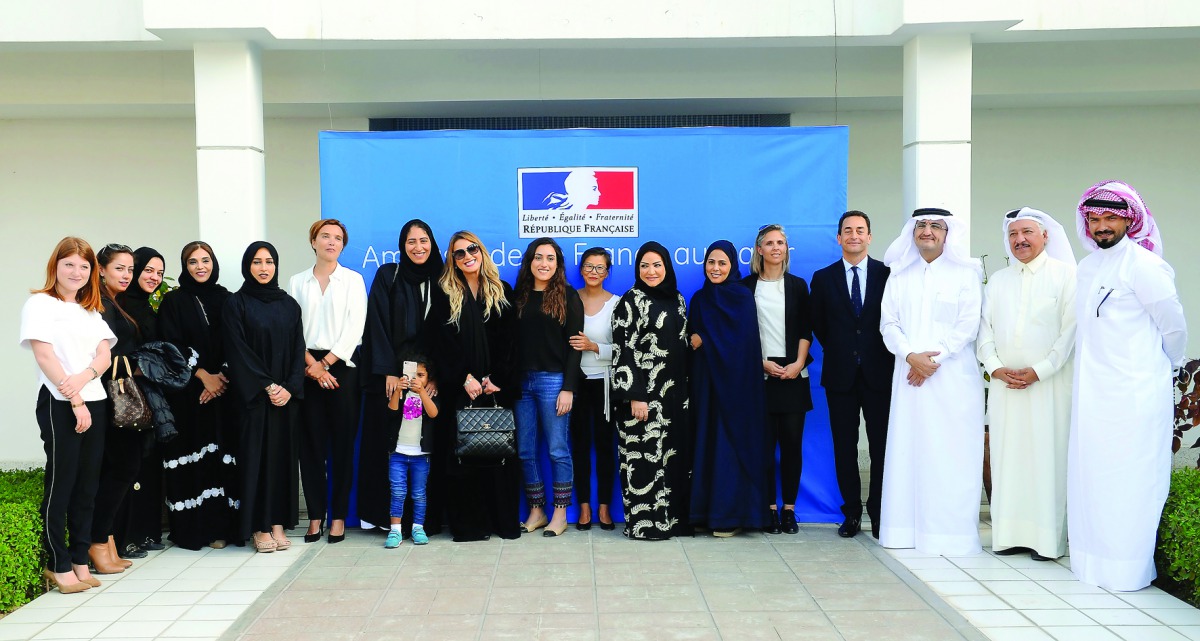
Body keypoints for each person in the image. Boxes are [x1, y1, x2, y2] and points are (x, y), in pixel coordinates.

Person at [1069, 180, 1187, 591]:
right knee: (1093, 478)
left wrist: (1164, 367)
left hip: (1135, 392)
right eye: (1095, 219)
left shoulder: (1145, 265)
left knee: (1131, 480)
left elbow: (1174, 328)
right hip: (1092, 395)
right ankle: (1092, 564)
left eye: (1110, 219)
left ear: (1129, 220)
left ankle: (1126, 570)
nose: (1102, 227)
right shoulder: (1087, 267)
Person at [878, 208, 985, 556]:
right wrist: (911, 356)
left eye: (935, 226)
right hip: (909, 378)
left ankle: (949, 536)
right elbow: (888, 324)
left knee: (949, 455)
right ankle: (903, 531)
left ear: (947, 233)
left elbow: (968, 325)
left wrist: (932, 360)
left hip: (952, 379)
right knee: (909, 452)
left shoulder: (967, 273)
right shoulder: (899, 275)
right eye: (921, 225)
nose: (927, 231)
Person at [977, 208, 1077, 561]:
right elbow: (983, 330)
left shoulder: (1067, 276)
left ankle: (1047, 541)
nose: (1019, 240)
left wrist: (1041, 370)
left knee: (1046, 457)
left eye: (1027, 232)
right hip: (1006, 387)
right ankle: (1008, 536)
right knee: (1008, 457)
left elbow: (1070, 333)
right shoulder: (1000, 280)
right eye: (1013, 234)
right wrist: (995, 368)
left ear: (1045, 236)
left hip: (1048, 387)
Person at [20, 237, 115, 593]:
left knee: (88, 487)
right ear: (55, 266)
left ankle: (79, 560)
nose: (76, 272)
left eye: (84, 266)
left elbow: (103, 356)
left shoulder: (91, 309)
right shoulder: (40, 304)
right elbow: (45, 356)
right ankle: (57, 565)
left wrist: (86, 379)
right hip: (58, 403)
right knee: (62, 484)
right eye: (69, 264)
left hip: (96, 400)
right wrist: (74, 397)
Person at [426, 231, 522, 542]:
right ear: (451, 260)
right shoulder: (443, 293)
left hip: (494, 389)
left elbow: (511, 343)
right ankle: (470, 527)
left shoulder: (501, 290)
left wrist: (497, 379)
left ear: (481, 251)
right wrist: (461, 377)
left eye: (472, 249)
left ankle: (500, 522)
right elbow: (438, 344)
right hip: (459, 390)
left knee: (497, 453)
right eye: (459, 253)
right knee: (462, 457)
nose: (468, 256)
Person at [809, 211, 894, 539]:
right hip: (840, 375)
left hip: (879, 373)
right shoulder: (823, 277)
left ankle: (879, 511)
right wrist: (844, 349)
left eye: (860, 230)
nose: (854, 235)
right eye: (848, 230)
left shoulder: (887, 275)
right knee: (844, 447)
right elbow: (818, 323)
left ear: (869, 236)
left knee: (880, 446)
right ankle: (852, 514)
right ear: (839, 237)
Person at [362, 220, 445, 534]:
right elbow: (377, 322)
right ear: (402, 245)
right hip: (394, 381)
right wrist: (387, 371)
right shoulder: (389, 275)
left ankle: (423, 521)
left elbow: (446, 332)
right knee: (392, 446)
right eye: (411, 241)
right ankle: (389, 521)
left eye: (423, 240)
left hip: (427, 381)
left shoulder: (443, 280)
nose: (418, 247)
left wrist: (436, 377)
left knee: (422, 448)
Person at [288, 219, 367, 545]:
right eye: (325, 237)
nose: (331, 242)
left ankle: (337, 517)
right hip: (306, 371)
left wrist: (327, 364)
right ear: (313, 241)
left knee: (343, 447)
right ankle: (316, 516)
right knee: (310, 449)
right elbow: (291, 329)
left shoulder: (353, 280)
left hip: (343, 370)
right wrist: (313, 366)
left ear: (342, 246)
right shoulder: (296, 282)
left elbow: (356, 327)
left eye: (337, 238)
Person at [223, 242, 305, 553]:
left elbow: (299, 349)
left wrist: (289, 387)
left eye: (269, 261)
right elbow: (237, 350)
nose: (263, 268)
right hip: (254, 399)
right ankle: (258, 526)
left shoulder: (289, 304)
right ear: (247, 266)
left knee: (281, 460)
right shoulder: (237, 303)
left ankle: (278, 523)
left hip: (285, 399)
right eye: (256, 262)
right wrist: (269, 387)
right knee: (256, 460)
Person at [687, 240, 772, 536]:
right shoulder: (699, 299)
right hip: (707, 386)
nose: (716, 268)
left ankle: (732, 517)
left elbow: (743, 344)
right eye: (711, 262)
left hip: (737, 389)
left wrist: (705, 340)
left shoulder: (741, 297)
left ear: (733, 265)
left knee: (730, 448)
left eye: (722, 263)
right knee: (707, 445)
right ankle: (705, 514)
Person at [157, 241, 237, 550]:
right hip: (189, 395)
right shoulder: (173, 302)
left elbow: (237, 341)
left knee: (221, 456)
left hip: (224, 394)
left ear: (214, 263)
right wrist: (203, 375)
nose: (200, 266)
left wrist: (222, 378)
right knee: (194, 457)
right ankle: (195, 531)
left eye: (205, 260)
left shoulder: (228, 299)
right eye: (193, 262)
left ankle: (223, 529)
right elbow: (169, 346)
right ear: (185, 266)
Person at [611, 241, 691, 541]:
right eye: (644, 265)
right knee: (643, 461)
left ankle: (674, 522)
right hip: (641, 399)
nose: (651, 271)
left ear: (667, 267)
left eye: (657, 264)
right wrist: (636, 396)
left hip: (674, 398)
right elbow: (623, 352)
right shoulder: (629, 301)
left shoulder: (678, 299)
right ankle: (646, 525)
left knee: (673, 460)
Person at [742, 224, 813, 534]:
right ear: (759, 250)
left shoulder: (798, 286)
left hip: (794, 375)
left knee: (792, 446)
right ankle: (769, 508)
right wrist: (761, 365)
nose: (775, 247)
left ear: (786, 249)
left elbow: (804, 330)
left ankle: (789, 510)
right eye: (769, 243)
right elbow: (741, 336)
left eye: (780, 243)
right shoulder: (745, 287)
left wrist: (798, 363)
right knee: (763, 447)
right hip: (760, 376)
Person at [513, 237, 584, 537]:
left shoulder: (568, 296)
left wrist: (568, 387)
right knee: (525, 451)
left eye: (550, 258)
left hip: (554, 381)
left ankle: (560, 513)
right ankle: (537, 510)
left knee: (557, 449)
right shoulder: (519, 296)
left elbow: (575, 347)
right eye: (538, 257)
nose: (544, 263)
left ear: (558, 264)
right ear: (530, 261)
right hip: (521, 382)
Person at [89, 243, 142, 573]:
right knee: (121, 468)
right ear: (102, 269)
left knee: (120, 469)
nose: (126, 275)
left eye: (130, 269)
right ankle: (98, 542)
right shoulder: (97, 305)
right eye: (119, 268)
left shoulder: (114, 303)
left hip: (118, 395)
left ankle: (105, 539)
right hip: (108, 397)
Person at [115, 247, 167, 558]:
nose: (153, 277)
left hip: (149, 395)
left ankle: (146, 532)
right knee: (128, 465)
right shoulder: (120, 306)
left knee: (148, 463)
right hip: (126, 395)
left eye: (159, 273)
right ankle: (126, 537)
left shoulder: (147, 306)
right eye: (147, 270)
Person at [568, 247, 619, 531]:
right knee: (579, 446)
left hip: (606, 385)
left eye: (600, 268)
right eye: (589, 266)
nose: (594, 272)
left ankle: (604, 508)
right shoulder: (568, 299)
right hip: (575, 383)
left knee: (604, 446)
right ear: (581, 269)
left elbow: (626, 350)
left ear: (608, 272)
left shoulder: (617, 304)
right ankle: (584, 507)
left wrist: (594, 347)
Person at [384, 354, 439, 548]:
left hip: (420, 455)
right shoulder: (401, 392)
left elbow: (433, 413)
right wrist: (397, 391)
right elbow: (391, 412)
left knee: (418, 493)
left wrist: (423, 392)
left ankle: (418, 527)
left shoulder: (429, 393)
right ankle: (395, 531)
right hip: (398, 453)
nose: (416, 379)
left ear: (428, 378)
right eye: (412, 374)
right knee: (397, 492)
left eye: (421, 375)